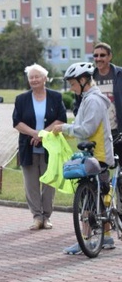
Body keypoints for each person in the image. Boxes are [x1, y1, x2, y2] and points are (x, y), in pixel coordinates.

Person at [50, 62, 114, 254]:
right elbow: (81, 124)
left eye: (73, 84)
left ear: (84, 80)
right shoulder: (87, 98)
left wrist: (64, 128)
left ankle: (86, 240)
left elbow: (87, 129)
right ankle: (106, 238)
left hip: (99, 155)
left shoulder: (93, 100)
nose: (71, 88)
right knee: (97, 197)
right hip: (93, 154)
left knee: (89, 196)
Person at [13, 63, 67, 231]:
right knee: (31, 185)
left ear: (45, 78)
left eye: (37, 76)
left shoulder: (55, 97)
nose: (34, 80)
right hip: (28, 148)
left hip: (50, 149)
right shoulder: (21, 99)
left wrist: (43, 134)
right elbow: (17, 122)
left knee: (49, 183)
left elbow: (61, 119)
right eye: (31, 77)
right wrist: (34, 134)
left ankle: (47, 216)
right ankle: (37, 216)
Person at [92, 43, 122, 155]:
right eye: (96, 56)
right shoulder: (89, 77)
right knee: (99, 169)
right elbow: (79, 104)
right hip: (97, 132)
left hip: (118, 132)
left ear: (110, 56)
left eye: (102, 55)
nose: (98, 59)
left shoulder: (120, 74)